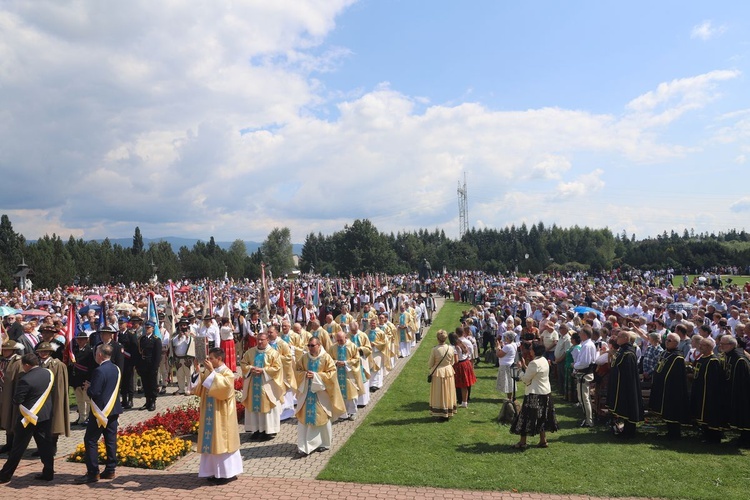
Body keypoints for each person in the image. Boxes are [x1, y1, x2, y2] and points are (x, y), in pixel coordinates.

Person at [0, 353, 55, 483]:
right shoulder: (48, 373)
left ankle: (5, 475)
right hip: (45, 415)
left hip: (28, 417)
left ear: (26, 365)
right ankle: (48, 472)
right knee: (45, 446)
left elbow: (17, 400)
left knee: (17, 447)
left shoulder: (26, 379)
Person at [190, 347, 243, 484]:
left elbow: (224, 390)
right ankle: (212, 471)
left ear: (219, 359)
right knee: (211, 444)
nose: (208, 360)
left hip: (221, 414)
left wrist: (212, 372)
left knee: (221, 443)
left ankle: (226, 474)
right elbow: (200, 388)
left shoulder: (228, 373)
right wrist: (197, 369)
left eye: (211, 358)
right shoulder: (209, 371)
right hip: (209, 412)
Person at [75, 344, 122, 484]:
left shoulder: (99, 371)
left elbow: (94, 392)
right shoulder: (116, 368)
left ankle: (93, 472)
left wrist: (89, 388)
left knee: (90, 440)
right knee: (111, 440)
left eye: (96, 353)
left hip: (100, 411)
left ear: (100, 355)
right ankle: (111, 469)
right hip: (113, 410)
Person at [294, 337, 346, 456]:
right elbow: (297, 370)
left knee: (322, 417)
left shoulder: (326, 358)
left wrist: (317, 376)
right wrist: (304, 375)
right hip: (307, 393)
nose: (310, 348)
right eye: (309, 346)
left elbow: (332, 374)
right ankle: (305, 446)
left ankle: (324, 443)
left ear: (319, 345)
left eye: (312, 345)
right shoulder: (304, 357)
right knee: (304, 418)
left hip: (322, 394)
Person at [510, 343, 559, 449]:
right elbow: (535, 373)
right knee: (542, 417)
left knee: (526, 416)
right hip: (546, 393)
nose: (530, 351)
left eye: (531, 349)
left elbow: (526, 379)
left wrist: (519, 370)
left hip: (535, 394)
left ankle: (522, 442)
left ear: (534, 351)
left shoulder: (534, 363)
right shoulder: (544, 360)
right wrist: (524, 366)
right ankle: (543, 440)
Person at [240, 332, 284, 441]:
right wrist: (250, 368)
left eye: (262, 340)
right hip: (253, 385)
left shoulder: (273, 353)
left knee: (267, 407)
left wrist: (263, 371)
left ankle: (268, 431)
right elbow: (243, 363)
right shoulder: (250, 352)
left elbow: (277, 368)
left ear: (267, 340)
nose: (259, 342)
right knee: (254, 408)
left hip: (267, 386)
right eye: (258, 339)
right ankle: (256, 430)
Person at [648, 332, 689, 440]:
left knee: (672, 411)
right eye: (666, 339)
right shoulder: (664, 353)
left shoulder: (678, 357)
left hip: (672, 389)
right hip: (662, 387)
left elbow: (677, 377)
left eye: (669, 340)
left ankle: (675, 434)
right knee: (665, 411)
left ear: (676, 343)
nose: (666, 342)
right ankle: (669, 431)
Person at [606, 330, 644, 439]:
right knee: (623, 408)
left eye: (619, 337)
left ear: (625, 339)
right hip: (621, 385)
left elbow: (628, 372)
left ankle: (629, 431)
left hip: (626, 386)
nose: (617, 339)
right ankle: (625, 429)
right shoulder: (622, 351)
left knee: (628, 407)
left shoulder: (629, 353)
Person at [35, 342, 70, 451]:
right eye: (41, 351)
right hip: (39, 398)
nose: (43, 353)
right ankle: (41, 447)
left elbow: (59, 385)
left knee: (54, 422)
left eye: (46, 351)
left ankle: (52, 446)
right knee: (40, 425)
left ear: (50, 352)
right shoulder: (36, 364)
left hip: (52, 397)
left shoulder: (57, 365)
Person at [690, 337, 725, 443]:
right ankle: (705, 434)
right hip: (700, 391)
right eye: (699, 344)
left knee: (710, 414)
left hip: (710, 393)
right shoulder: (702, 358)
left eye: (702, 345)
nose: (699, 347)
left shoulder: (713, 361)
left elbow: (714, 380)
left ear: (709, 347)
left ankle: (713, 437)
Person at [718, 335, 750, 447]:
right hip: (731, 390)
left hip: (742, 393)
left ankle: (746, 439)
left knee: (744, 414)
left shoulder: (739, 359)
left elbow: (743, 380)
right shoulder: (729, 355)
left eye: (723, 344)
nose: (720, 346)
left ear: (731, 345)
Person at [328, 331, 362, 420]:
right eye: (337, 340)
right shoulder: (333, 347)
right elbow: (329, 360)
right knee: (340, 394)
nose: (339, 342)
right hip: (338, 374)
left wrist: (346, 363)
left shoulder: (352, 346)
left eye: (341, 340)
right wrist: (336, 362)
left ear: (345, 338)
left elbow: (357, 358)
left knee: (352, 394)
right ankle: (342, 414)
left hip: (349, 374)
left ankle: (352, 412)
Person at [0, 340, 24, 455]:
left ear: (13, 350)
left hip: (12, 393)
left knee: (13, 417)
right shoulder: (3, 361)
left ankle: (15, 444)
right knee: (6, 417)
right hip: (3, 393)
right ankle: (8, 443)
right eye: (3, 349)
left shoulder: (18, 362)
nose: (5, 352)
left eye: (7, 349)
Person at [428, 330, 456, 420]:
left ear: (437, 339)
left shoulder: (435, 349)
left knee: (439, 393)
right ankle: (448, 409)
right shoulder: (451, 348)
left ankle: (441, 411)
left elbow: (430, 364)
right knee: (448, 391)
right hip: (448, 371)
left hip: (438, 372)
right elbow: (452, 361)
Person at [573, 326, 597, 428]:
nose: (579, 335)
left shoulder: (587, 346)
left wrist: (574, 365)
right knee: (583, 398)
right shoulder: (586, 344)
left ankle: (589, 420)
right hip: (583, 373)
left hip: (585, 374)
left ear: (585, 334)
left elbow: (585, 362)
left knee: (584, 398)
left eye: (581, 333)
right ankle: (587, 418)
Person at [69, 330, 94, 426]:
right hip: (76, 379)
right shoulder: (74, 351)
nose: (80, 341)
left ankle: (88, 417)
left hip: (85, 379)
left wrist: (89, 380)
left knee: (87, 400)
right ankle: (81, 417)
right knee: (79, 400)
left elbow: (91, 367)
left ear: (86, 340)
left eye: (82, 339)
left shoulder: (89, 351)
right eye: (78, 339)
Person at [136, 321, 162, 411]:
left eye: (149, 327)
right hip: (143, 364)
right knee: (145, 384)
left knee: (152, 384)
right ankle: (147, 401)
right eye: (146, 327)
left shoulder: (156, 340)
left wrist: (155, 367)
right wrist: (138, 366)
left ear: (153, 328)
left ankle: (153, 401)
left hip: (151, 364)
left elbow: (157, 355)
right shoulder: (142, 339)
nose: (147, 329)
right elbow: (139, 353)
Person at [119, 316, 140, 409]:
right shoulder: (117, 335)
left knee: (129, 381)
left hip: (128, 361)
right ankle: (123, 400)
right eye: (119, 323)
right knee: (122, 381)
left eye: (122, 323)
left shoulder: (131, 334)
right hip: (120, 361)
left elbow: (135, 348)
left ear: (126, 324)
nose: (120, 325)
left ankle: (130, 399)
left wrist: (134, 362)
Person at [170, 317, 195, 395]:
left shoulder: (191, 333)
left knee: (189, 374)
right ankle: (181, 389)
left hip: (188, 358)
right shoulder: (175, 335)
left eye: (184, 325)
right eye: (181, 325)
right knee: (180, 374)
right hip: (178, 358)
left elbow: (192, 344)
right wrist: (179, 337)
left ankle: (190, 389)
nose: (183, 327)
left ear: (187, 326)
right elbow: (173, 344)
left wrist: (187, 337)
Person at [495, 331, 518, 400]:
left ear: (508, 338)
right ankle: (510, 397)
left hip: (505, 365)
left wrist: (498, 347)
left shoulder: (508, 346)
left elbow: (499, 355)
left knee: (508, 382)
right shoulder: (514, 344)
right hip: (510, 364)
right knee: (510, 382)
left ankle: (509, 398)